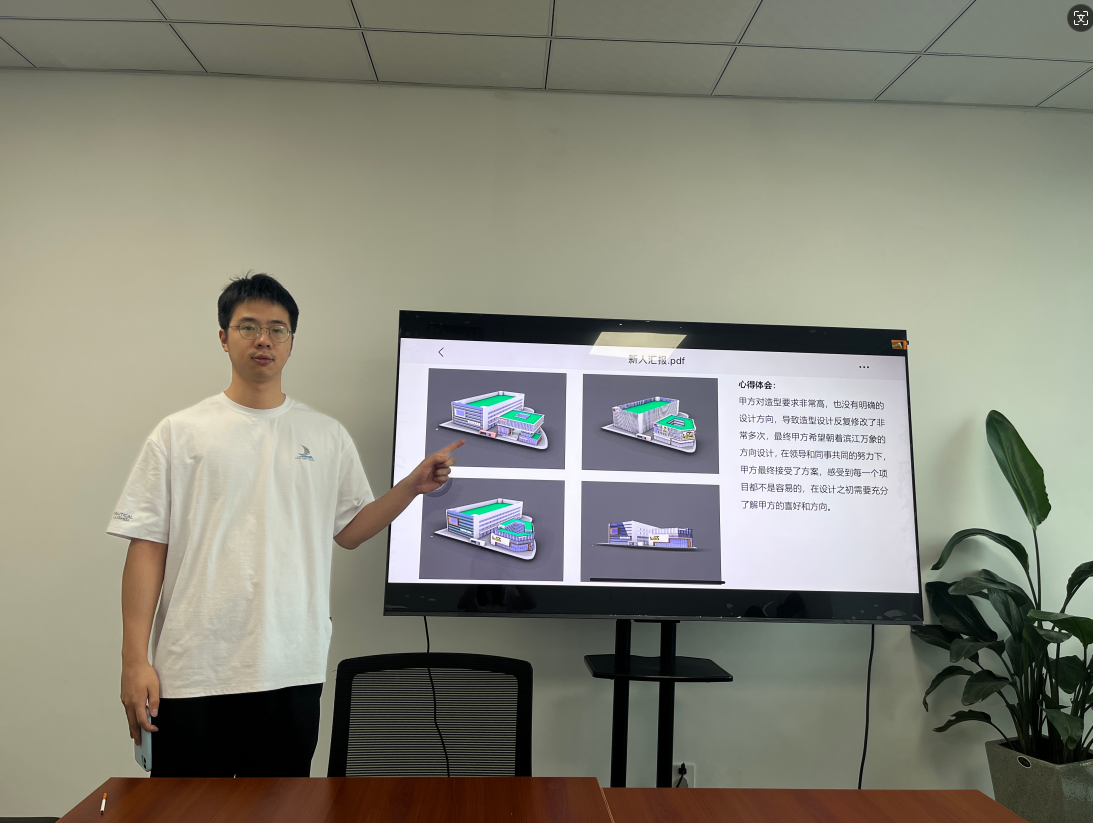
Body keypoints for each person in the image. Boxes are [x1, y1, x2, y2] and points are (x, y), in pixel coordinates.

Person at [110, 273, 462, 777]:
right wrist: (134, 660)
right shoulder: (179, 433)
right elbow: (147, 548)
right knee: (187, 810)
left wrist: (410, 487)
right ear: (223, 337)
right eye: (248, 327)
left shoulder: (326, 434)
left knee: (282, 809)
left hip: (291, 670)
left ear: (291, 342)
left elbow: (350, 531)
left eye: (277, 329)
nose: (263, 340)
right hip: (192, 670)